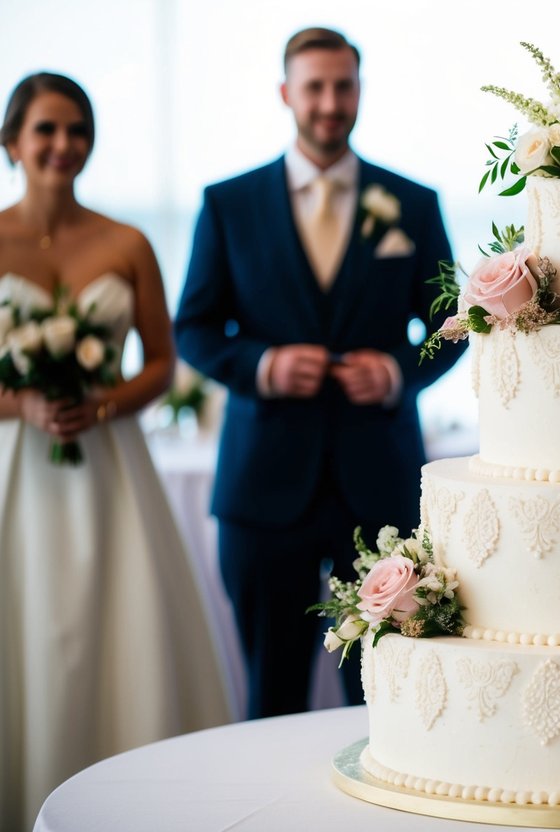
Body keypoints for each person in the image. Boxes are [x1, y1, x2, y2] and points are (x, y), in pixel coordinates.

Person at [175, 28, 462, 720]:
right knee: (270, 693)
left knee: (387, 692)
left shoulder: (412, 202)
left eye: (343, 86)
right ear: (286, 93)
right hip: (263, 489)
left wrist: (395, 373)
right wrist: (264, 365)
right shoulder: (229, 204)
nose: (330, 103)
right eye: (315, 87)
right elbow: (194, 329)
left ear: (359, 91)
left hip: (380, 485)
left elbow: (453, 325)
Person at [0, 72, 231, 832]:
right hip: (14, 471)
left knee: (120, 624)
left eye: (77, 130)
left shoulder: (126, 243)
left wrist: (100, 405)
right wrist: (24, 404)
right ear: (12, 142)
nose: (63, 144)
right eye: (46, 129)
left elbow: (162, 364)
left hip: (110, 466)